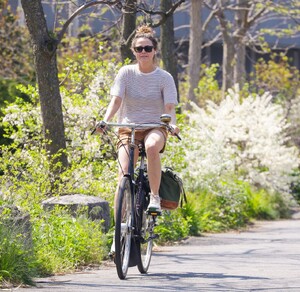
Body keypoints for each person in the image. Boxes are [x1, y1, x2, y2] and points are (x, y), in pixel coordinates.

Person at [97, 25, 179, 213]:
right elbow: (116, 100)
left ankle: (155, 198)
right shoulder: (126, 73)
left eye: (147, 48)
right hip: (128, 128)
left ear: (154, 51)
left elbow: (169, 107)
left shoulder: (164, 77)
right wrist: (105, 120)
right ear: (134, 51)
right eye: (139, 49)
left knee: (151, 147)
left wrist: (172, 124)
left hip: (155, 127)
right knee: (124, 173)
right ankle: (119, 231)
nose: (143, 52)